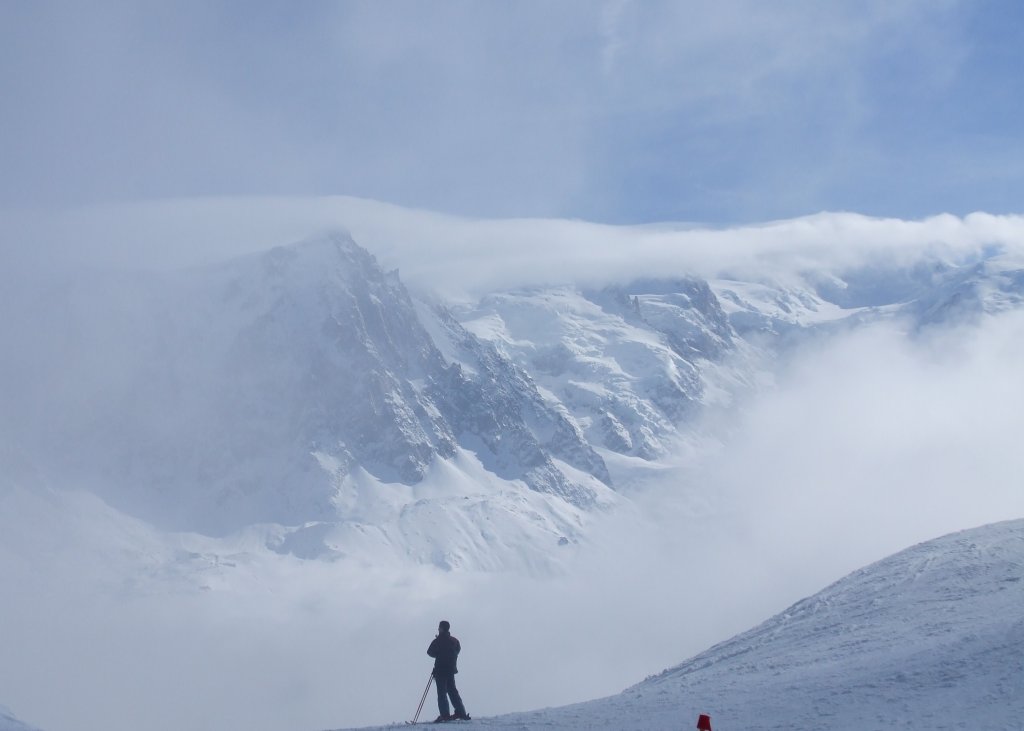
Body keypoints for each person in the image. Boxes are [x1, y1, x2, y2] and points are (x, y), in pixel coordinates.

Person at [426, 620, 470, 722]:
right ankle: (461, 712)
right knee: (452, 691)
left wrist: (439, 654)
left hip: (440, 670)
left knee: (442, 693)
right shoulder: (454, 640)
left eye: (439, 627)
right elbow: (458, 650)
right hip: (450, 670)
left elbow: (429, 652)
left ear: (441, 628)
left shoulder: (437, 641)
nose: (438, 628)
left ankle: (445, 715)